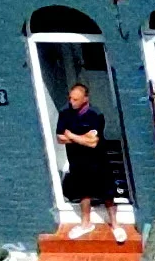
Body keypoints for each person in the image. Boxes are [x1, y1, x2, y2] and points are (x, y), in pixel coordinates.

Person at [55, 83, 129, 229]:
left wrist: (71, 135)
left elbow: (93, 143)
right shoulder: (65, 113)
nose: (72, 102)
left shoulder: (95, 114)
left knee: (107, 192)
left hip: (98, 160)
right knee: (84, 192)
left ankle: (114, 223)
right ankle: (85, 223)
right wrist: (82, 138)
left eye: (76, 100)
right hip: (77, 160)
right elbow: (59, 138)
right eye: (71, 99)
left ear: (85, 99)